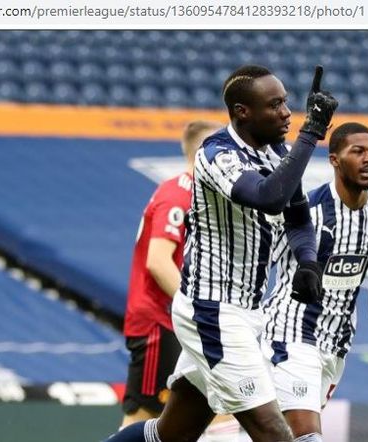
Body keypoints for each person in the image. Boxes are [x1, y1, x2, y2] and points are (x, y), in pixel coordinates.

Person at [106, 64, 338, 442]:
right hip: (213, 313)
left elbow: (297, 216)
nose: (286, 113)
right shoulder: (216, 154)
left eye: (286, 103)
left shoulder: (277, 151)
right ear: (242, 112)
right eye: (275, 105)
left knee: (169, 434)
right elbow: (270, 197)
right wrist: (310, 134)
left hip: (246, 312)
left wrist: (307, 262)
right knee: (273, 432)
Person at [262, 122, 368, 442]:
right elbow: (269, 263)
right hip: (290, 334)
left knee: (278, 436)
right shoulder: (307, 211)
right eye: (358, 151)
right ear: (335, 160)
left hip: (336, 343)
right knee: (306, 437)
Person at [121, 120, 220, 429]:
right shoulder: (179, 194)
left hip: (173, 322)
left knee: (174, 422)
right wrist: (195, 312)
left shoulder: (203, 196)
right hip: (158, 322)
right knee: (144, 420)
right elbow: (158, 261)